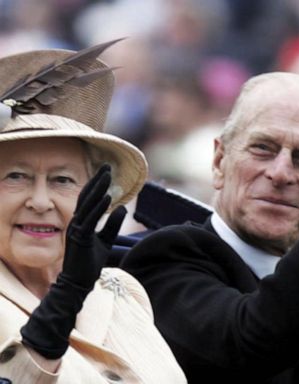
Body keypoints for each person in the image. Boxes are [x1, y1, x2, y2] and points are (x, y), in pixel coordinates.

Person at [120, 69, 299, 384]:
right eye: (262, 148)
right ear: (219, 162)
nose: (280, 173)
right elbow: (254, 343)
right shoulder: (161, 262)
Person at [0, 41, 186, 383]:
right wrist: (66, 297)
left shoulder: (122, 291)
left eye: (62, 180)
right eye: (17, 176)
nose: (41, 201)